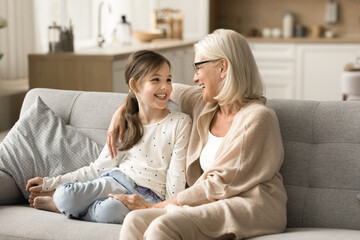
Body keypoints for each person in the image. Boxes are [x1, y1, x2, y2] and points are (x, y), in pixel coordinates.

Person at [107, 29, 287, 239]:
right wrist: (122, 112)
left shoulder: (258, 118)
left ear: (222, 67)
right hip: (214, 202)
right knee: (134, 220)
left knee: (161, 226)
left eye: (198, 68)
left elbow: (219, 183)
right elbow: (151, 88)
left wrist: (157, 206)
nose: (194, 78)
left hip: (251, 204)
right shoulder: (204, 104)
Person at [25, 50, 192, 224]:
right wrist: (49, 183)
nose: (165, 87)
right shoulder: (126, 123)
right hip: (115, 181)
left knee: (109, 211)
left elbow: (176, 178)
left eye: (168, 79)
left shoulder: (180, 122)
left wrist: (168, 209)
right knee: (64, 194)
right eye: (156, 79)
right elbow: (97, 169)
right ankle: (63, 203)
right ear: (135, 86)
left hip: (149, 197)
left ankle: (61, 208)